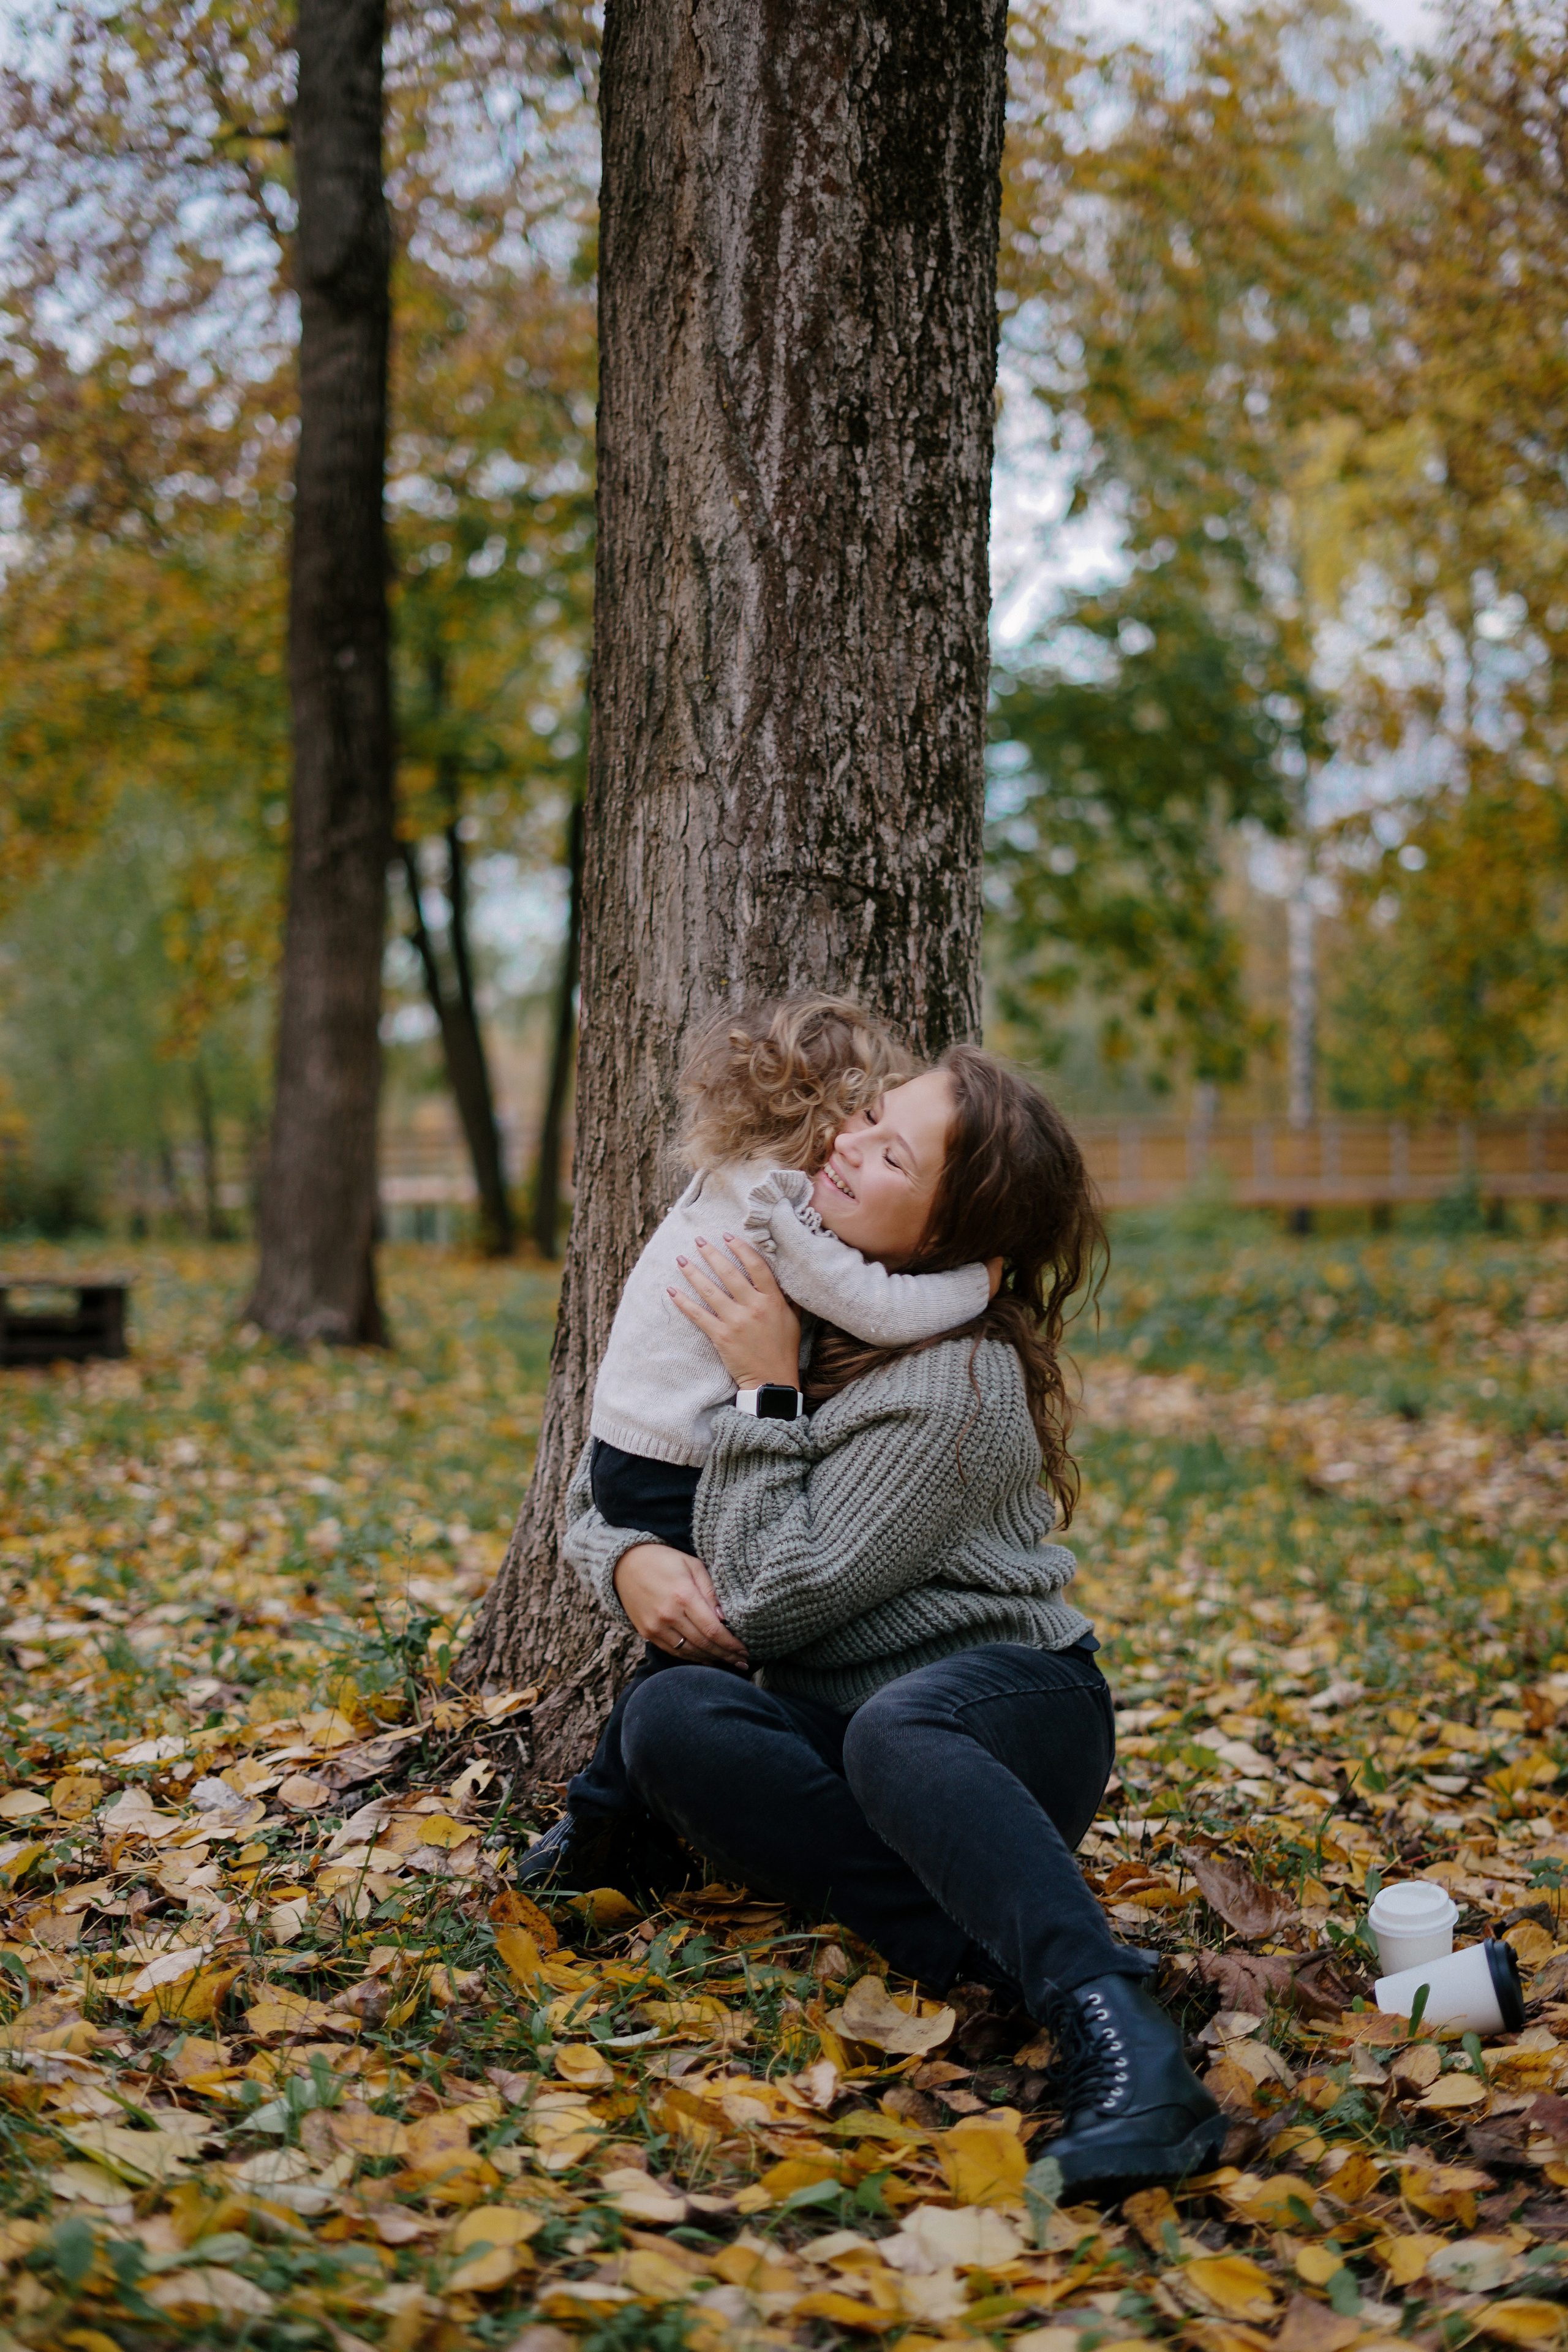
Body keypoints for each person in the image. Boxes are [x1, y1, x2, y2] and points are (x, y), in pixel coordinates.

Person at [557, 1041, 1227, 2194]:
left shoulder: (953, 1381)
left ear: (948, 1238)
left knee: (897, 1730)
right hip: (853, 1738)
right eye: (865, 1117)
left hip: (1009, 1719)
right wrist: (628, 1564)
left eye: (891, 1151)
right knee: (672, 1717)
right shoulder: (804, 1297)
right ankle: (988, 1957)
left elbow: (772, 1601)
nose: (845, 1143)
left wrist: (765, 1392)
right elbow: (606, 1476)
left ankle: (1132, 2052)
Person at [519, 996, 992, 1888]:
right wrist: (976, 1283)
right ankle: (603, 1825)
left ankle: (624, 1826)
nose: (857, 1143)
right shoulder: (780, 1212)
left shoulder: (722, 1182)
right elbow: (878, 1310)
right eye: (864, 1116)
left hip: (628, 1450)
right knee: (714, 1646)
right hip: (682, 1465)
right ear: (824, 1118)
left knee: (689, 1660)